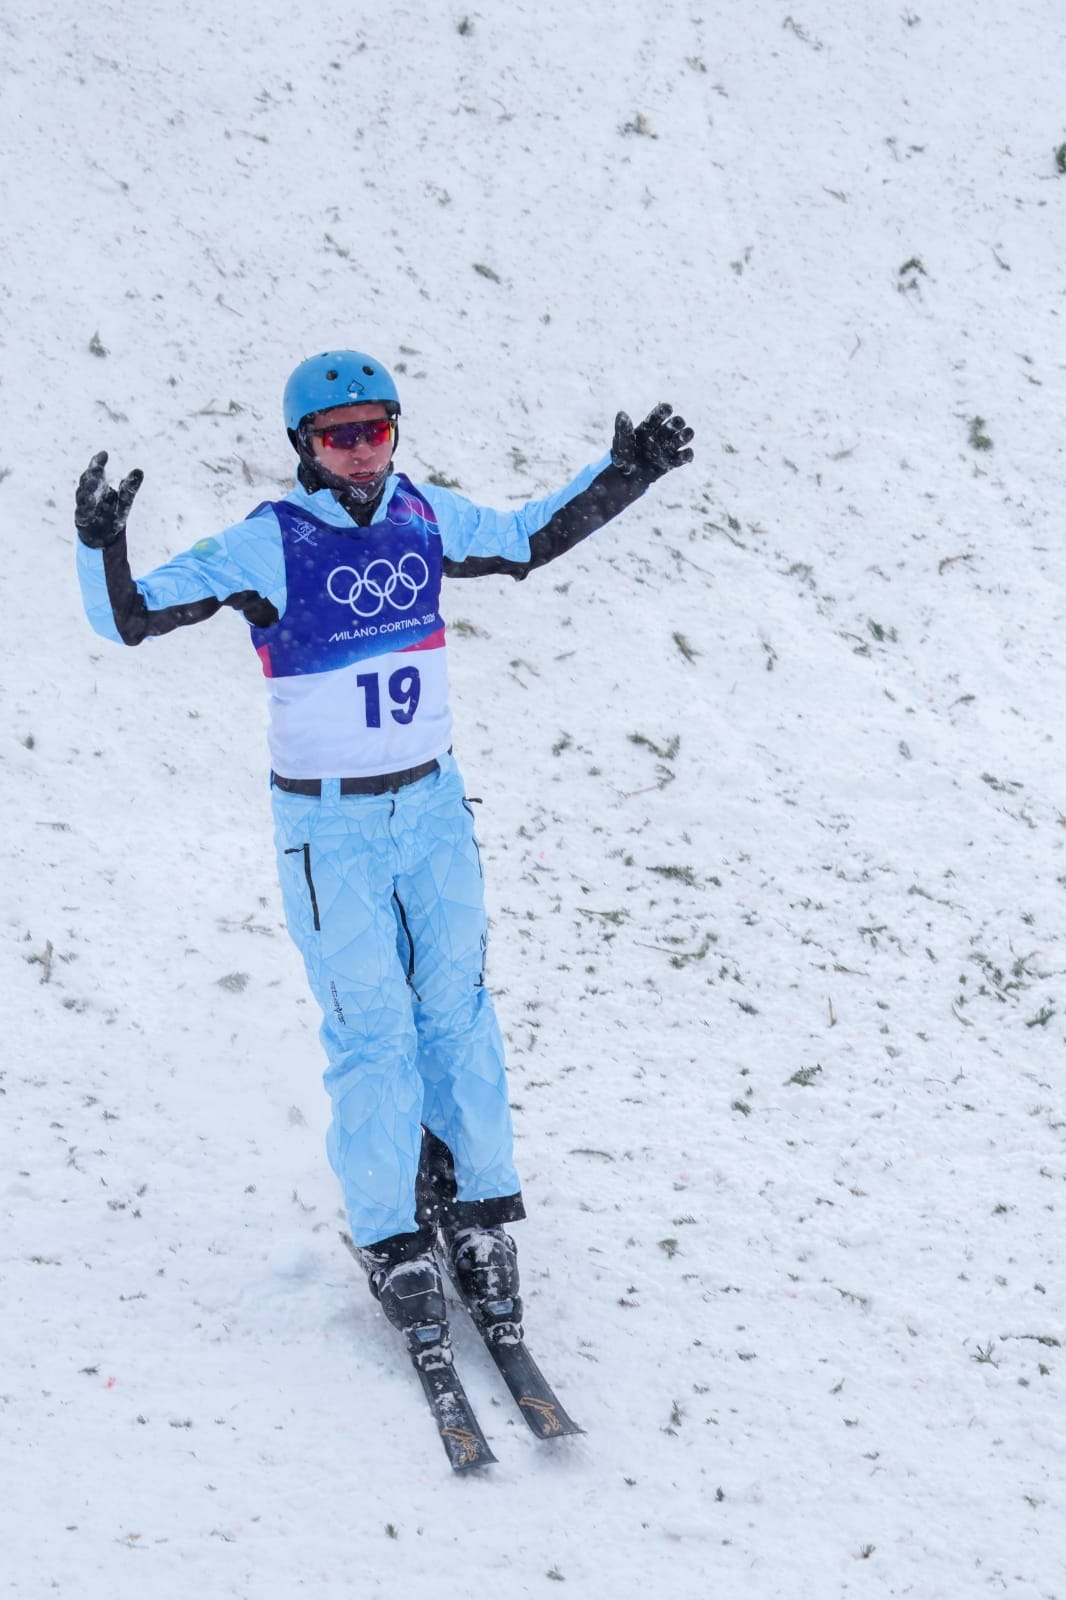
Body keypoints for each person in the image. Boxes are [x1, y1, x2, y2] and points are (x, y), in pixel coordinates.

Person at [75, 349, 694, 1366]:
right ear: (303, 450)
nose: (362, 454)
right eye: (338, 437)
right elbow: (129, 616)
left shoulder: (422, 515)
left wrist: (626, 473)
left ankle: (480, 1203)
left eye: (376, 430)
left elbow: (529, 537)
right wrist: (99, 543)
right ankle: (392, 1232)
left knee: (457, 1004)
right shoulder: (266, 545)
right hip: (332, 829)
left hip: (432, 809)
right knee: (373, 1028)